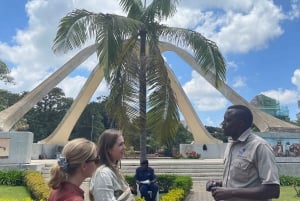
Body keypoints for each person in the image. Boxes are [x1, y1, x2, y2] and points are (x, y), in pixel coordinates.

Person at [206, 105, 280, 201]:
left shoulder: (259, 146)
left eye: (227, 120)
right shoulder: (231, 144)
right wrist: (218, 183)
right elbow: (242, 182)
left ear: (240, 124)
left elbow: (273, 190)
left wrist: (230, 193)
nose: (222, 124)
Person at [89, 129, 135, 201]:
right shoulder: (103, 174)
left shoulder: (113, 171)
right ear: (109, 149)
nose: (124, 147)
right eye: (120, 144)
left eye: (123, 144)